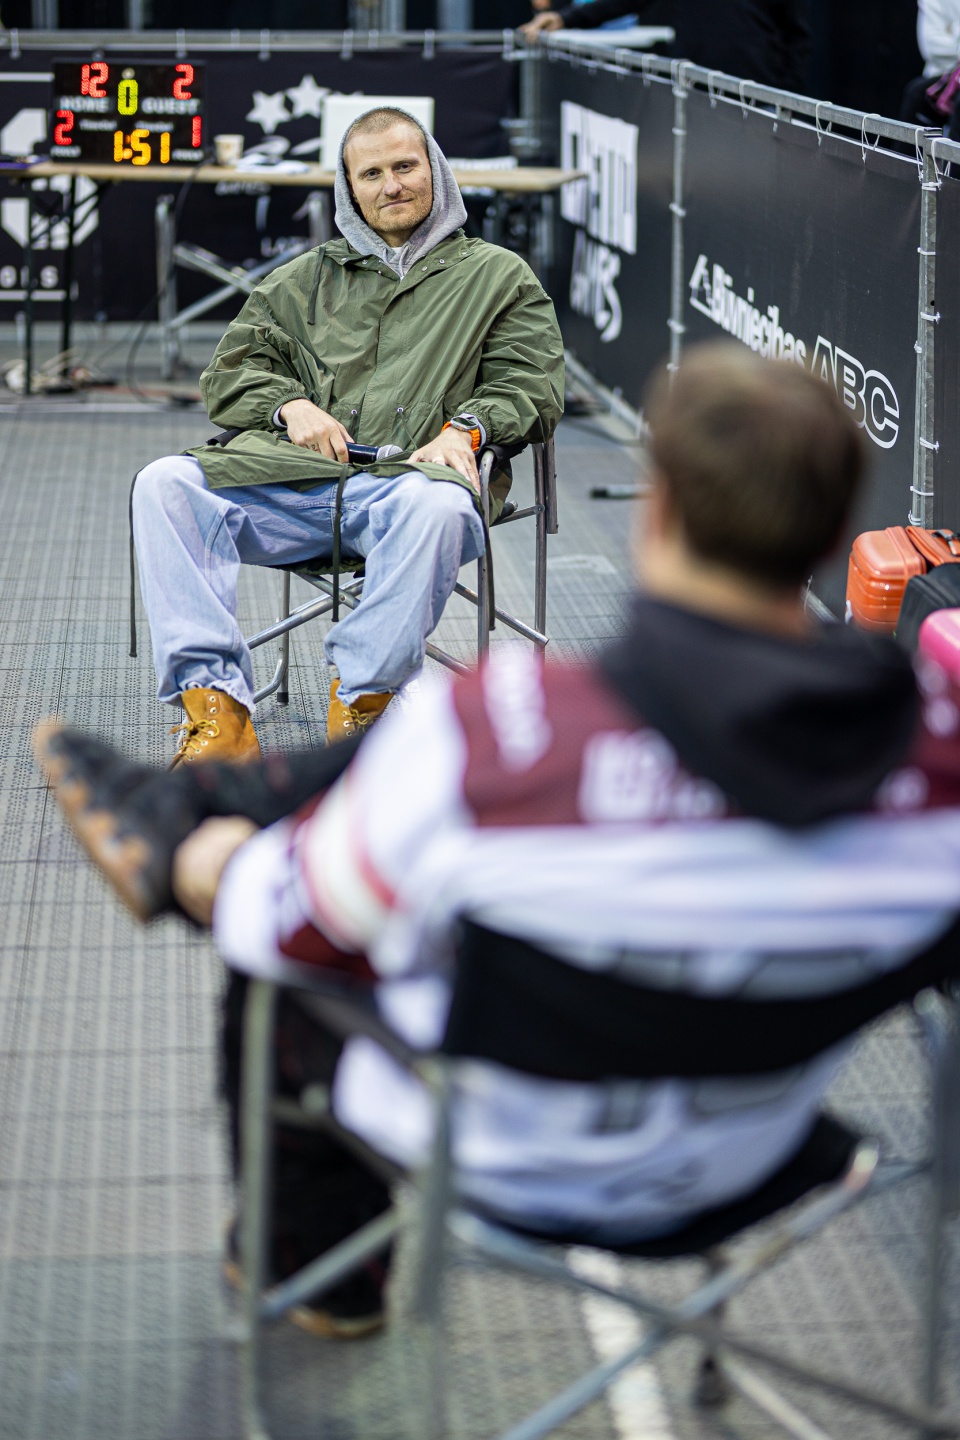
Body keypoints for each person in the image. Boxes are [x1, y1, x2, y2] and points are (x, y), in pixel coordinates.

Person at [36, 342, 960, 1337]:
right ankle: (213, 797)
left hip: (500, 1156)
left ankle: (323, 1276)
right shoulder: (939, 773)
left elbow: (286, 928)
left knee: (289, 968)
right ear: (835, 534)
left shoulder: (500, 728)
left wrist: (202, 867)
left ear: (656, 516)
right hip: (754, 1163)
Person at [132, 106, 564, 761]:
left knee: (441, 504)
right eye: (372, 174)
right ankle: (218, 714)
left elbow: (530, 382)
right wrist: (287, 406)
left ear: (435, 171)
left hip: (410, 488)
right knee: (163, 483)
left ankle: (363, 702)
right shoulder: (303, 279)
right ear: (349, 188)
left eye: (405, 166)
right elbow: (231, 372)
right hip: (296, 484)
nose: (392, 185)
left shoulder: (498, 277)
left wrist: (469, 429)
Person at [521, 0, 812, 95]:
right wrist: (565, 18)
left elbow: (797, 34)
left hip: (757, 97)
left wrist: (783, 95)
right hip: (694, 93)